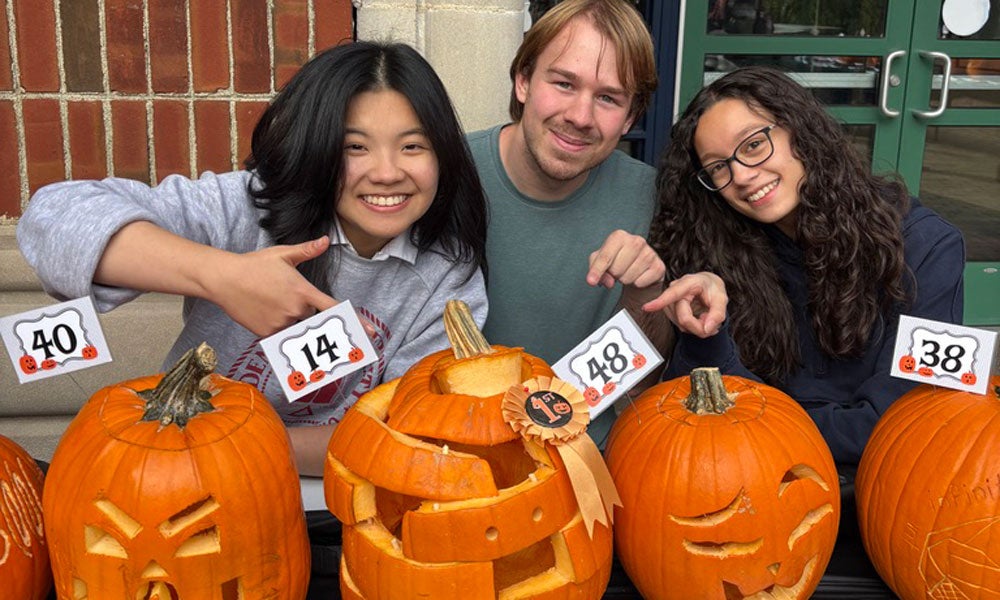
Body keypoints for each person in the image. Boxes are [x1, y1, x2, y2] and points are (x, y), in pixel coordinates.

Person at [16, 41, 489, 478]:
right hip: (176, 475)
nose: (387, 173)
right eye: (354, 147)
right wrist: (221, 276)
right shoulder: (247, 209)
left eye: (412, 146)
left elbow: (406, 430)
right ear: (317, 147)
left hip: (329, 496)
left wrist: (238, 447)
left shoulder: (446, 273)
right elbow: (53, 219)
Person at [649, 65, 965, 466]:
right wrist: (708, 332)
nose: (742, 177)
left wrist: (762, 423)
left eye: (752, 145)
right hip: (757, 483)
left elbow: (906, 423)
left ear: (800, 131)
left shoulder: (928, 247)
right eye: (718, 168)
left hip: (886, 490)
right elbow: (697, 414)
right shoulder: (721, 253)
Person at [467, 0, 727, 446]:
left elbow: (645, 387)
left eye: (608, 98)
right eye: (564, 83)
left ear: (630, 117)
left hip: (599, 459)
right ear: (524, 80)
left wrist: (646, 290)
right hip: (466, 453)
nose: (580, 117)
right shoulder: (446, 176)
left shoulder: (655, 198)